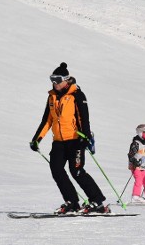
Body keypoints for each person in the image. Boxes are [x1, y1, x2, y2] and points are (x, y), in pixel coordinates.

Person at [30, 62, 109, 214]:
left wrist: (85, 136)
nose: (54, 83)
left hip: (75, 140)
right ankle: (72, 202)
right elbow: (47, 120)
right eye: (52, 79)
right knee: (56, 169)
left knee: (76, 171)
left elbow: (84, 118)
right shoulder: (52, 97)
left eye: (57, 80)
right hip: (59, 142)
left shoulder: (76, 95)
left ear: (66, 80)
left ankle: (97, 201)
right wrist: (37, 139)